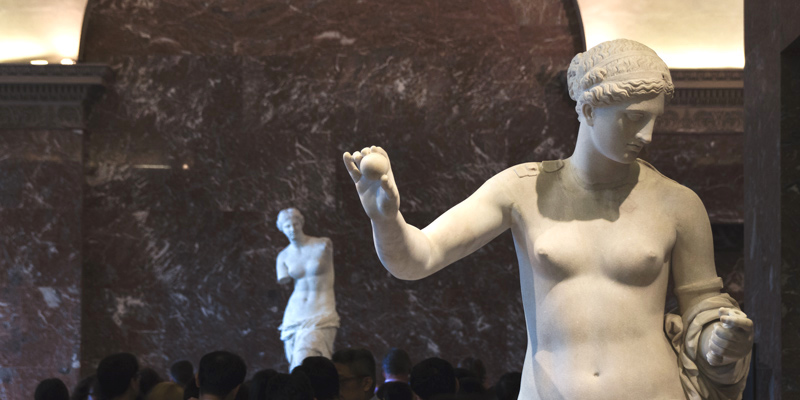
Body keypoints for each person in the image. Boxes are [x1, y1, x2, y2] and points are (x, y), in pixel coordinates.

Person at [343, 38, 754, 399]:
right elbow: (418, 259)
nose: (646, 135)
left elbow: (705, 305)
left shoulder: (678, 204)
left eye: (654, 119)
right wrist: (386, 218)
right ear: (590, 110)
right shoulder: (521, 189)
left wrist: (720, 336)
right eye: (633, 117)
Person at [275, 208, 340, 371]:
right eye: (287, 226)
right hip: (294, 314)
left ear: (301, 223)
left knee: (306, 360)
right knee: (297, 364)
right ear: (282, 229)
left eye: (295, 224)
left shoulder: (323, 244)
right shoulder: (283, 256)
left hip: (321, 311)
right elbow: (283, 278)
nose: (292, 229)